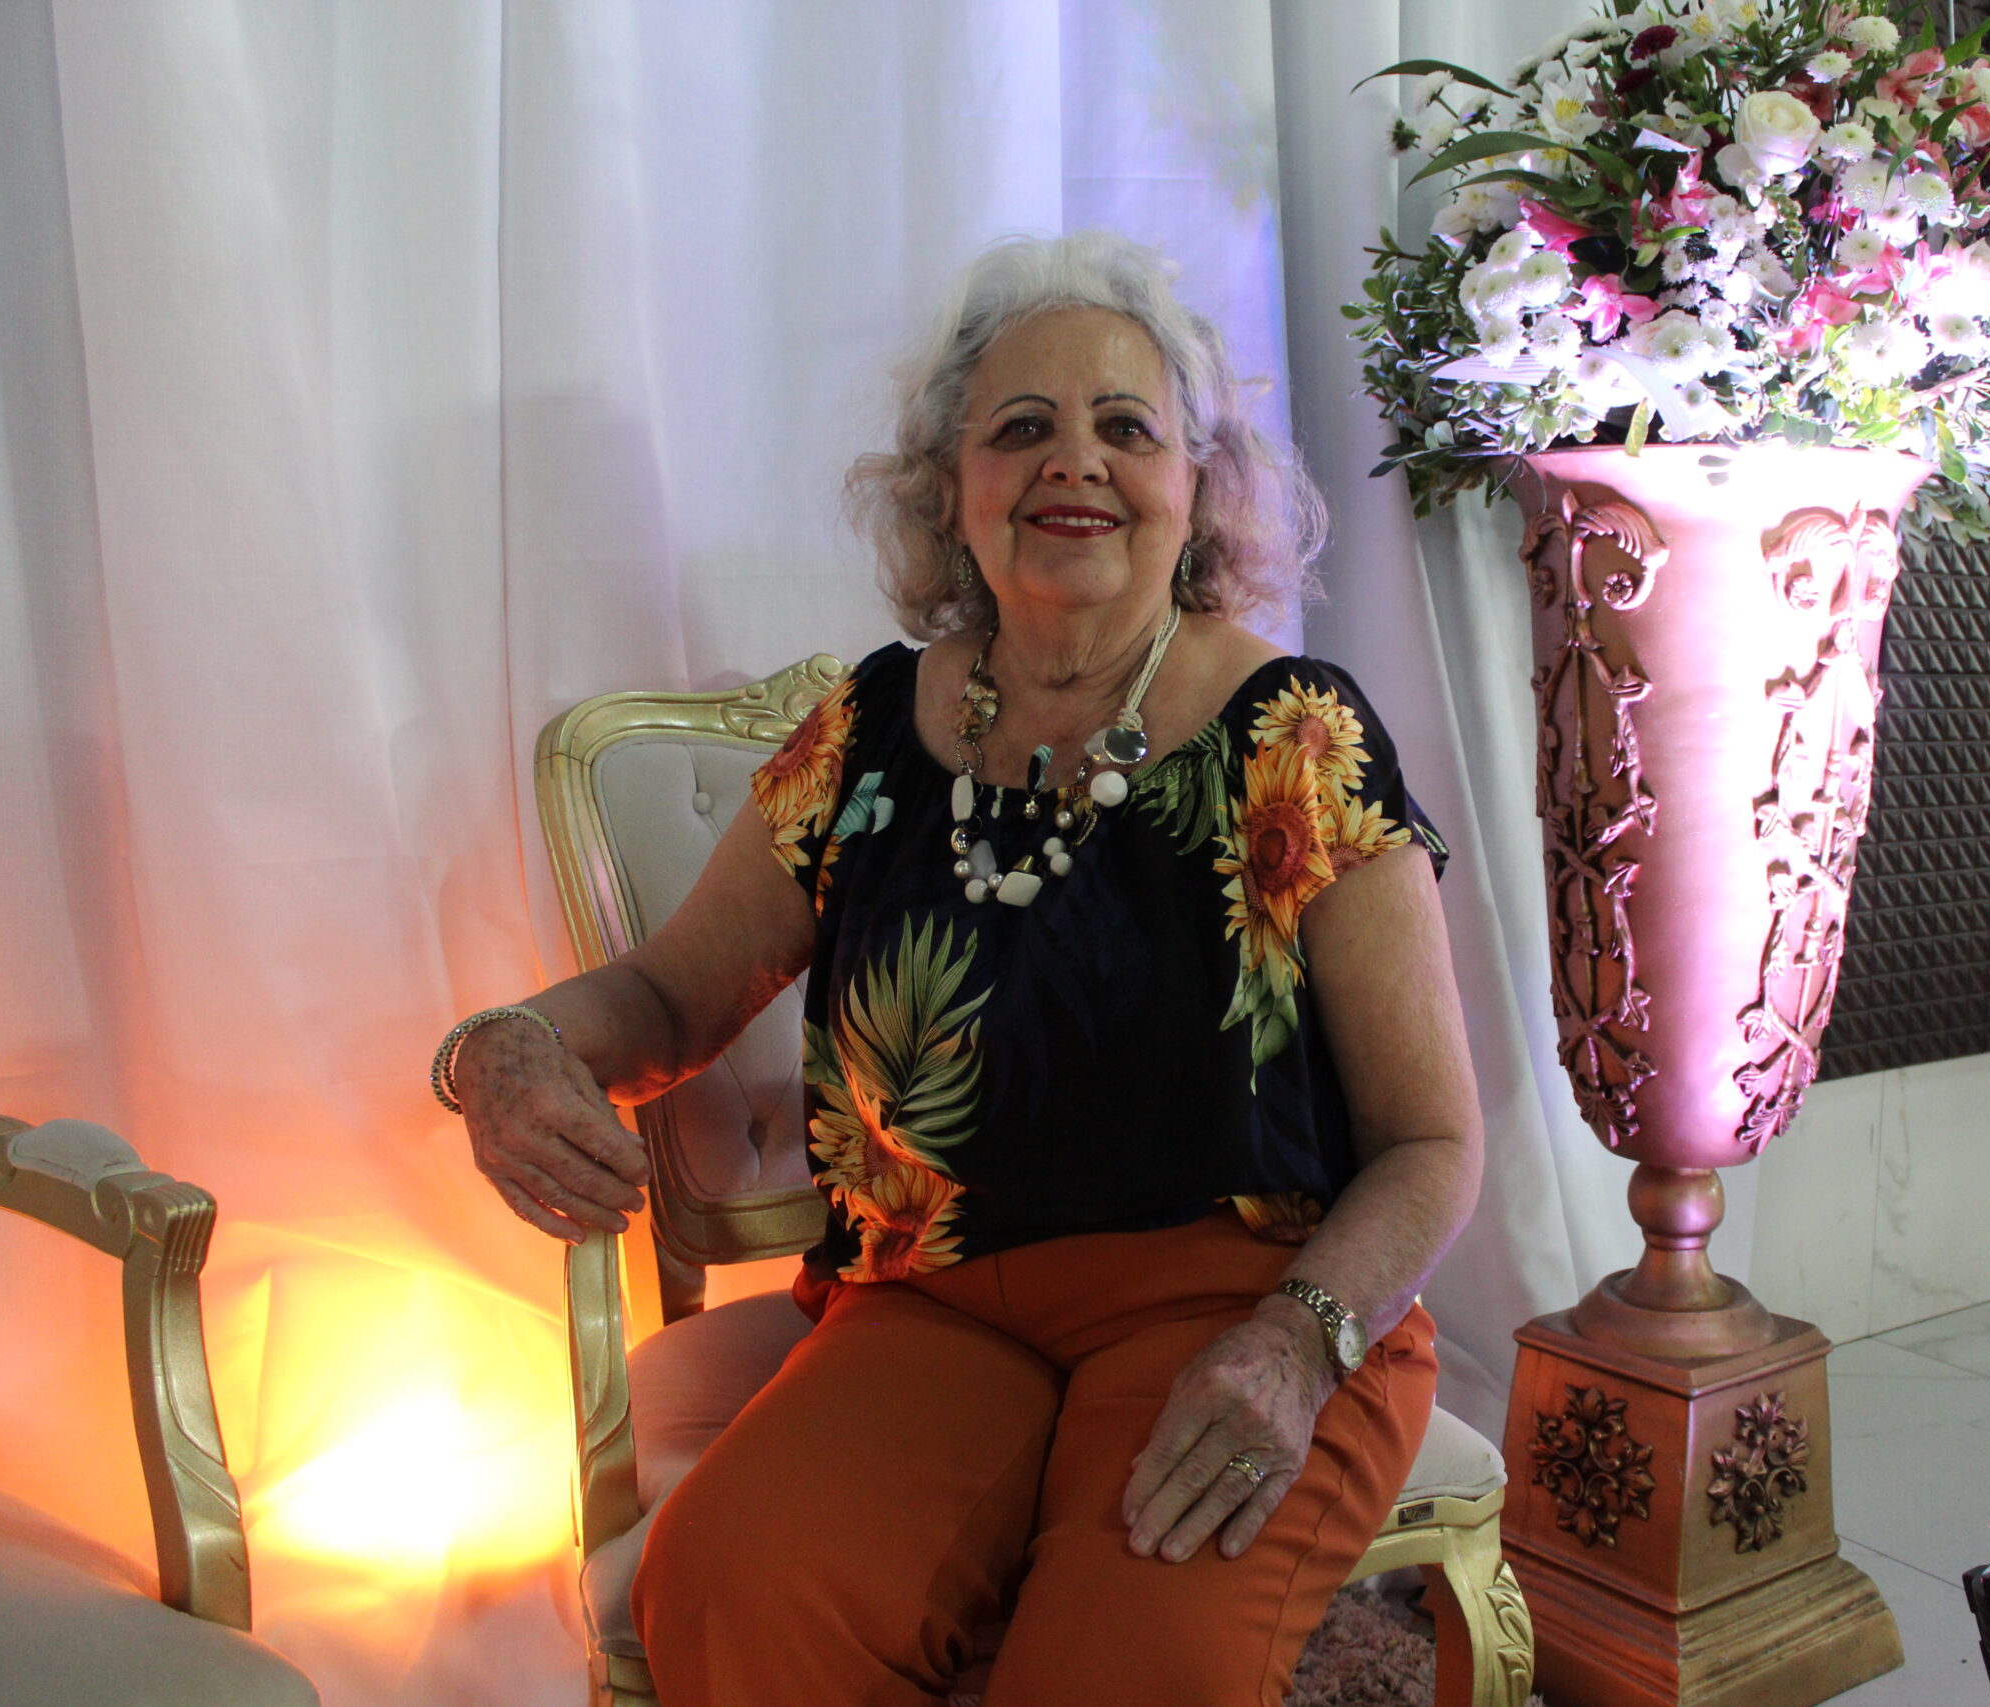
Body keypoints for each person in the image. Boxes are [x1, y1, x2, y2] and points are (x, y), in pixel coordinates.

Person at [442, 231, 1482, 1707]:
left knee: (1120, 1678)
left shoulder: (1296, 733)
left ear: (1199, 484)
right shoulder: (869, 729)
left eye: (1126, 427)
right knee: (735, 1589)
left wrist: (1298, 1346)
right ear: (951, 487)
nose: (1075, 461)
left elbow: (1433, 1143)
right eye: (1021, 427)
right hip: (931, 1302)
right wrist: (505, 1045)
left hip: (1248, 1303)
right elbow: (671, 997)